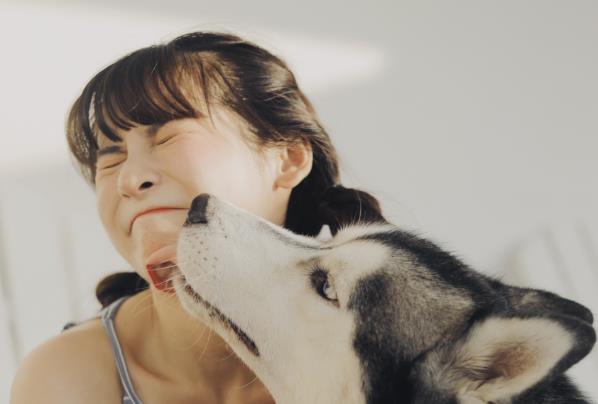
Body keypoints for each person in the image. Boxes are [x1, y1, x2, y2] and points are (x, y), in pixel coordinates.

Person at [10, 31, 387, 404]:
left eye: (167, 138)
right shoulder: (64, 379)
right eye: (110, 158)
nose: (128, 179)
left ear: (287, 158)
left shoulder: (380, 353)